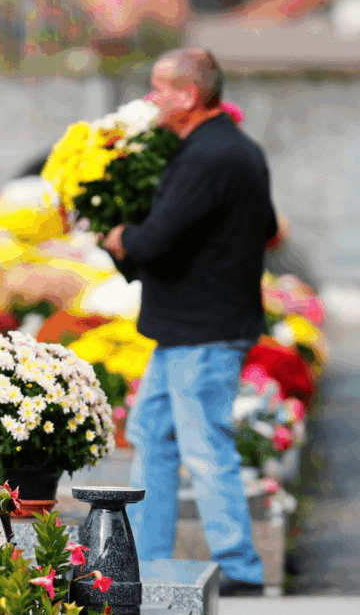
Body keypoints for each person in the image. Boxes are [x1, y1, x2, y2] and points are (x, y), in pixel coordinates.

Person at [100, 48, 277, 597]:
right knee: (153, 435)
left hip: (203, 329)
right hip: (192, 326)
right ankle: (147, 561)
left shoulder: (205, 158)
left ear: (189, 95)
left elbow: (155, 239)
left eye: (160, 88)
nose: (151, 99)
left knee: (204, 447)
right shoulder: (235, 148)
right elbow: (268, 226)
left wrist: (117, 235)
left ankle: (240, 568)